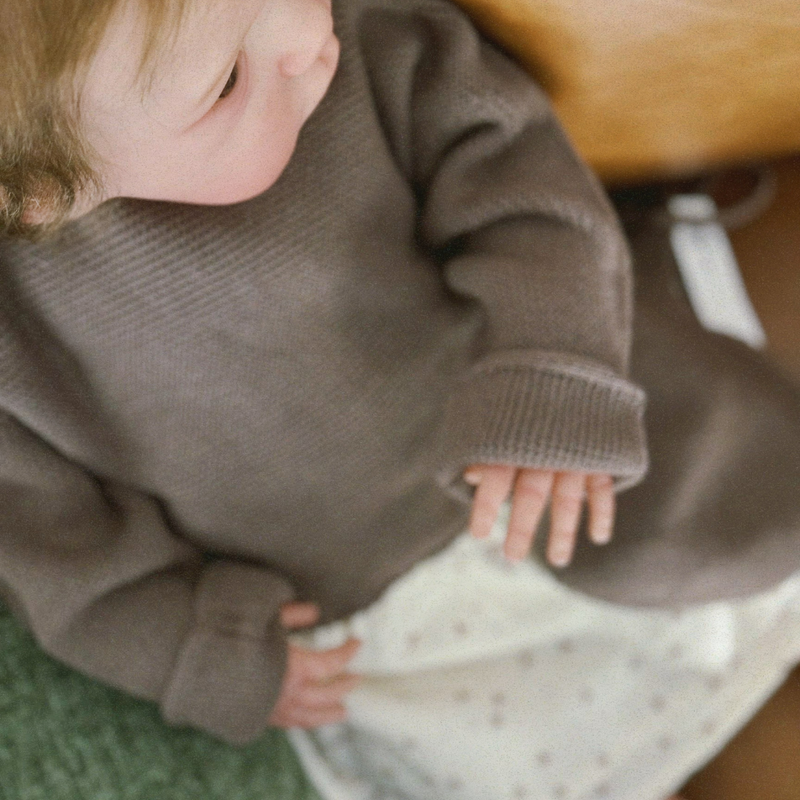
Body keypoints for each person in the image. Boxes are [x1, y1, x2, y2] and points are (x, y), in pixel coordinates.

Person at [3, 0, 800, 798]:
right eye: (224, 85)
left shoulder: (363, 41)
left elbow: (525, 186)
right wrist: (193, 649)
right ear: (38, 193)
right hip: (378, 608)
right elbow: (53, 550)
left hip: (550, 423)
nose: (302, 33)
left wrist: (555, 357)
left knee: (729, 527)